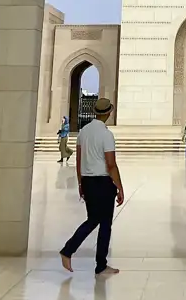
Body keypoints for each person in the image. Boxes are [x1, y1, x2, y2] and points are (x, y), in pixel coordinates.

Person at [60, 98, 124, 277]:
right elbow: (111, 164)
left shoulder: (83, 132)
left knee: (93, 219)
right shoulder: (106, 134)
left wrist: (81, 183)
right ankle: (71, 251)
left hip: (88, 181)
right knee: (103, 224)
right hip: (103, 183)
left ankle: (95, 262)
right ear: (109, 113)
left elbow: (79, 160)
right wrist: (119, 187)